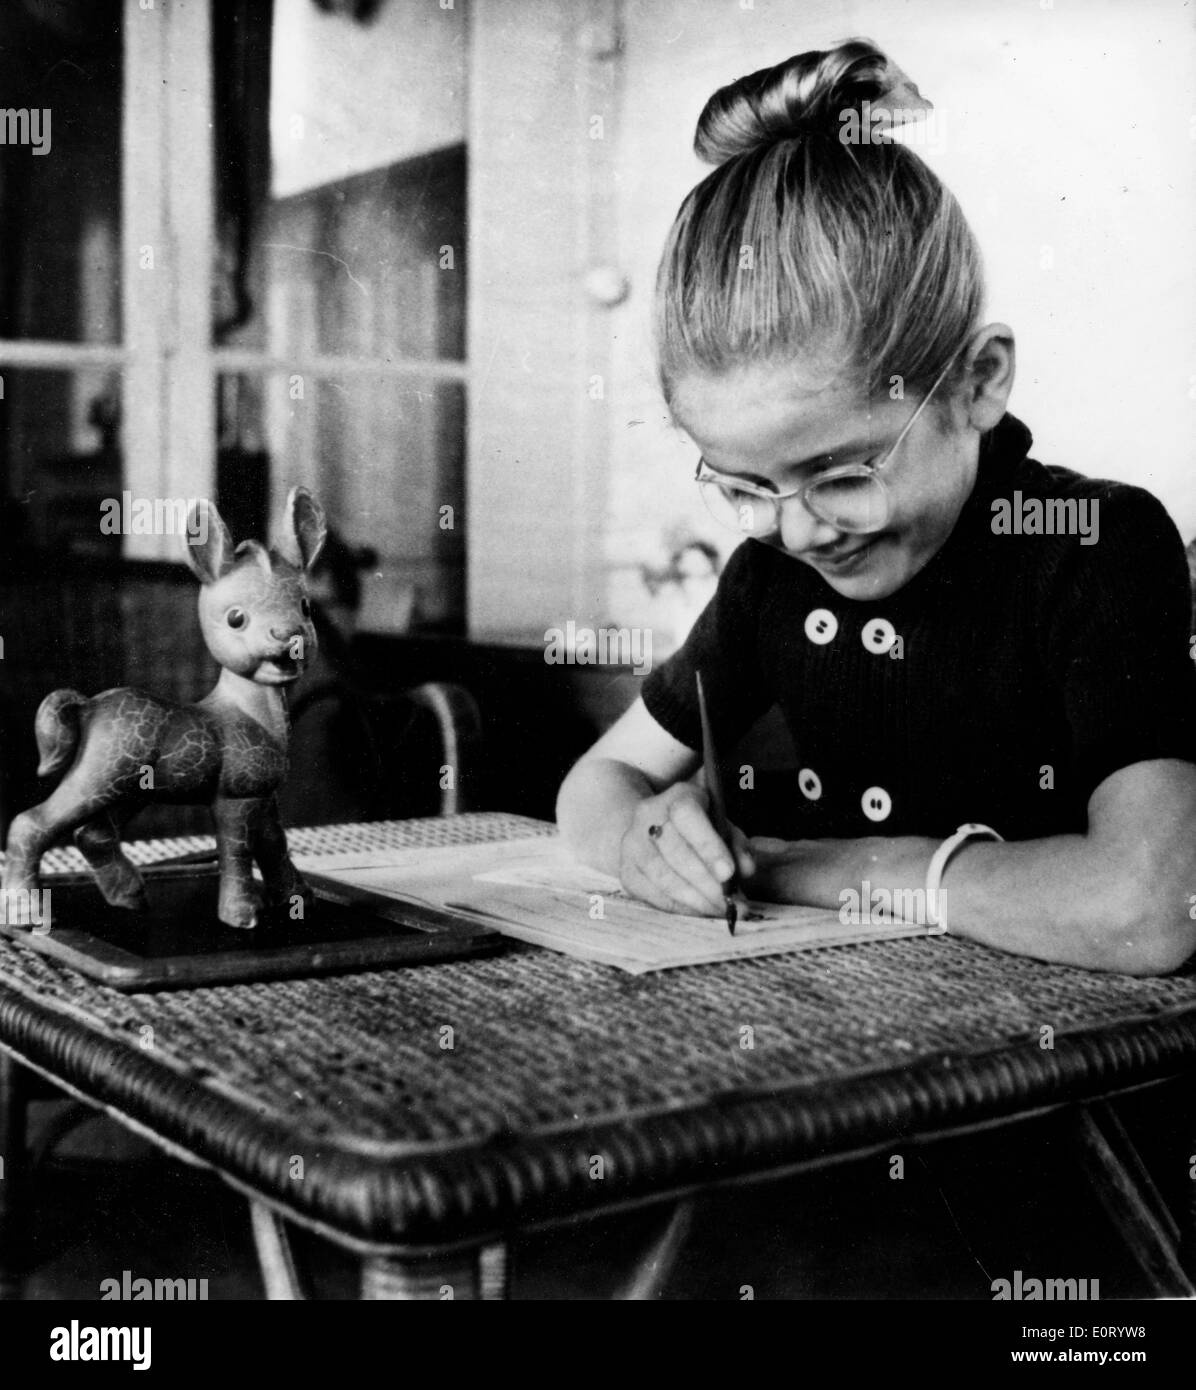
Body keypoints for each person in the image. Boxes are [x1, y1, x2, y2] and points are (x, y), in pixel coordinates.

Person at [556, 38, 1196, 976]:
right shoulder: (770, 575)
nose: (799, 530)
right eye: (744, 486)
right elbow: (596, 784)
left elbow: (1148, 909)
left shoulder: (1093, 546)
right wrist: (644, 842)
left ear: (977, 382)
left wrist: (824, 867)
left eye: (843, 473)